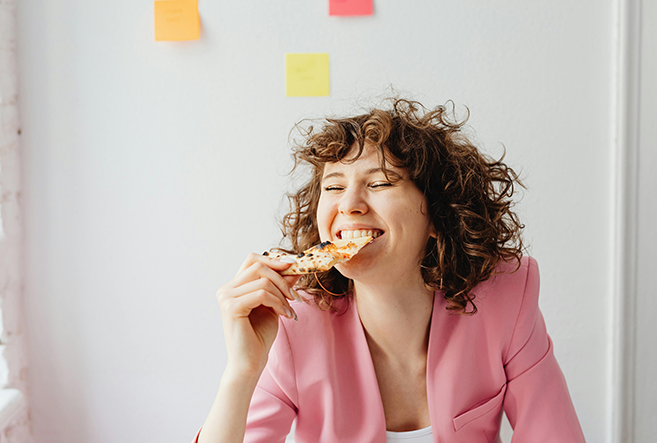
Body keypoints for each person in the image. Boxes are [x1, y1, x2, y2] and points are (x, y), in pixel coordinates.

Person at [195, 99, 585, 443]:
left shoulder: (505, 298)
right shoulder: (293, 319)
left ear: (438, 213)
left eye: (379, 182)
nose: (349, 204)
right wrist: (241, 372)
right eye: (332, 187)